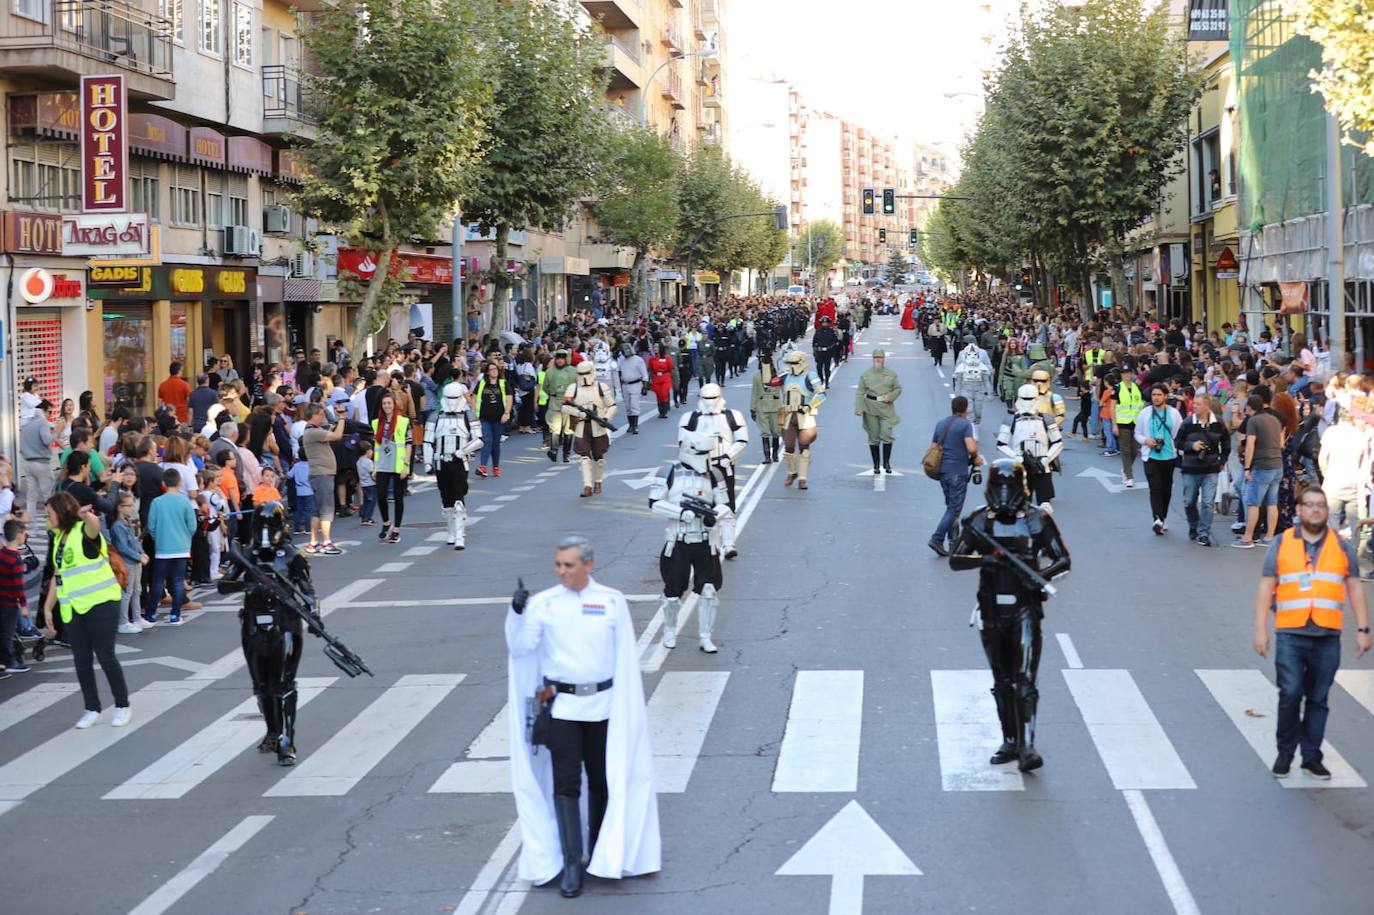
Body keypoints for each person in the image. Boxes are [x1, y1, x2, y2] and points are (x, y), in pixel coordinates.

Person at [504, 537, 660, 898]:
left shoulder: (611, 602)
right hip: (562, 708)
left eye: (569, 565)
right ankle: (572, 862)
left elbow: (625, 657)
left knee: (603, 781)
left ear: (588, 565)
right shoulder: (544, 604)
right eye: (558, 564)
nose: (562, 571)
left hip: (604, 707)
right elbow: (521, 649)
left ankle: (601, 850)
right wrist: (516, 613)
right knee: (566, 784)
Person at [948, 459, 1071, 772]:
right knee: (1002, 681)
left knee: (1025, 679)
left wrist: (1037, 576)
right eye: (1000, 486)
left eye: (1009, 486)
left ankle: (1027, 746)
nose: (1004, 493)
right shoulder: (978, 520)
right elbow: (956, 558)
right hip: (991, 610)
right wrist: (986, 560)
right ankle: (1010, 740)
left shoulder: (1037, 519)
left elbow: (1062, 559)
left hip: (1025, 608)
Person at [1252, 489, 1371, 779]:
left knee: (1318, 698)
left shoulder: (1340, 546)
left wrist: (1363, 629)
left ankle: (1311, 757)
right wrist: (1260, 629)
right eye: (1309, 505)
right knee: (1291, 693)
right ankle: (1285, 753)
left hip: (1327, 636)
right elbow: (1267, 585)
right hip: (1290, 634)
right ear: (1299, 510)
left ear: (1327, 511)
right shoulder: (1282, 542)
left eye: (1320, 505)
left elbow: (1355, 587)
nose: (1315, 510)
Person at [43, 493, 132, 729]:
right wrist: (48, 608)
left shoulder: (83, 530)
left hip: (101, 603)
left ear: (62, 512)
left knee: (106, 656)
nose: (47, 519)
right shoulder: (59, 538)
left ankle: (122, 705)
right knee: (81, 661)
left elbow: (94, 527)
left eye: (49, 514)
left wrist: (87, 516)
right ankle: (91, 708)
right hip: (74, 608)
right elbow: (59, 576)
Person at [650, 428, 730, 652]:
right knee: (673, 593)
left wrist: (713, 516)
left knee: (709, 591)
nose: (705, 458)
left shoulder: (713, 474)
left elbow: (724, 504)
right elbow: (654, 502)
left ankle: (705, 636)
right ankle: (669, 631)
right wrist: (680, 513)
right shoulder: (669, 472)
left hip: (705, 541)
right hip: (678, 539)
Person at [679, 383, 747, 560]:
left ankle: (728, 543)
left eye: (713, 398)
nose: (709, 402)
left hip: (723, 466)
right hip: (698, 468)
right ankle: (709, 544)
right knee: (701, 506)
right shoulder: (690, 418)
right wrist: (692, 462)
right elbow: (683, 443)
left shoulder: (732, 416)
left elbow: (741, 440)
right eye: (706, 398)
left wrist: (728, 456)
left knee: (726, 505)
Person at [423, 382, 483, 550]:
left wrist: (462, 451)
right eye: (449, 398)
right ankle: (451, 531)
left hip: (460, 462)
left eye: (454, 398)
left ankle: (459, 535)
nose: (451, 401)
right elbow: (428, 441)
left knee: (458, 501)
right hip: (441, 461)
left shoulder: (468, 416)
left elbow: (479, 440)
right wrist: (428, 463)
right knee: (446, 501)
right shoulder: (435, 416)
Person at [929, 396, 984, 556]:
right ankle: (937, 538)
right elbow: (971, 447)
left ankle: (953, 542)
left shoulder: (941, 424)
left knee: (951, 507)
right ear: (966, 409)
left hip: (943, 471)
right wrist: (975, 457)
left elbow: (933, 447)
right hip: (958, 471)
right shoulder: (965, 425)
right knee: (954, 509)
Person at [144, 468, 198, 627]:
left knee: (158, 581)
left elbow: (151, 526)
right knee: (178, 581)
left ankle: (150, 614)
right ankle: (175, 614)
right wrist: (185, 537)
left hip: (162, 548)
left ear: (163, 483)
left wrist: (158, 538)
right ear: (179, 483)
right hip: (182, 547)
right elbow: (192, 526)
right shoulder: (184, 502)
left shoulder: (157, 502)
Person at [1175, 392, 1228, 547]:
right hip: (1190, 468)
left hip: (1211, 468)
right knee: (1189, 501)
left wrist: (1222, 461)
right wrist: (1192, 445)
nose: (1194, 407)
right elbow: (1177, 442)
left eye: (1198, 404)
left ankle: (1203, 533)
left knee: (1207, 502)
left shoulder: (1218, 422)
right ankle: (1194, 525)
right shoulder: (1187, 422)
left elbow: (1226, 443)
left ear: (1206, 406)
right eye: (1194, 404)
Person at [997, 385, 1063, 505]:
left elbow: (1058, 442)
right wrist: (1015, 457)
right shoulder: (1011, 419)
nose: (1027, 402)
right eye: (1024, 399)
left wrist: (1047, 459)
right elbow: (1001, 444)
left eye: (1030, 399)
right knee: (1020, 506)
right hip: (1020, 466)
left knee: (1045, 505)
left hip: (1041, 466)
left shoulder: (1046, 419)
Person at [1234, 393, 1284, 549]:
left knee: (1253, 503)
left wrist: (1247, 467)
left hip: (1262, 465)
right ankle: (1269, 537)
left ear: (1250, 407)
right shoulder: (1274, 419)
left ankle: (1248, 538)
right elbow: (1281, 443)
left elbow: (1250, 445)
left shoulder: (1253, 421)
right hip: (1277, 464)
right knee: (1272, 502)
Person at [562, 361, 618, 498]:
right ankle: (587, 485)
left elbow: (612, 405)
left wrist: (606, 418)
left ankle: (598, 481)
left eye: (586, 373)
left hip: (598, 426)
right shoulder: (573, 388)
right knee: (584, 457)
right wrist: (579, 413)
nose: (584, 377)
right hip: (581, 426)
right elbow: (564, 407)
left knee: (599, 457)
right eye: (581, 374)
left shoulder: (601, 387)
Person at [1136, 384, 1183, 536]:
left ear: (1165, 396)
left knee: (1166, 490)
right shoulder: (1145, 413)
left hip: (1169, 456)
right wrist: (1146, 441)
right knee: (1155, 487)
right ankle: (1157, 519)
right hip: (1151, 456)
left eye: (1159, 395)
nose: (1156, 397)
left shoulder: (1174, 413)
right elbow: (1137, 433)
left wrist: (1176, 447)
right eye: (1154, 395)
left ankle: (1162, 517)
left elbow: (1179, 433)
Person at [777, 350, 825, 490]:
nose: (792, 366)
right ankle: (792, 472)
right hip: (788, 415)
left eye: (795, 363)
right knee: (789, 447)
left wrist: (809, 406)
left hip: (805, 416)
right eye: (790, 363)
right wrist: (766, 362)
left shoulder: (811, 376)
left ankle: (802, 478)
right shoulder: (785, 376)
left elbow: (821, 394)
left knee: (804, 447)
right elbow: (769, 382)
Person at [302, 403, 346, 553]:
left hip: (318, 474)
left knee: (317, 511)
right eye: (320, 414)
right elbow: (337, 436)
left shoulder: (312, 431)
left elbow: (329, 433)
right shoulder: (313, 432)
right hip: (322, 474)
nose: (322, 417)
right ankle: (326, 542)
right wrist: (342, 418)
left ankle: (313, 542)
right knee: (326, 510)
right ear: (313, 415)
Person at [371, 392, 412, 543]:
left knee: (398, 497)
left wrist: (406, 465)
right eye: (384, 404)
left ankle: (397, 529)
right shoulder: (376, 423)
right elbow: (376, 447)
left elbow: (409, 444)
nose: (387, 406)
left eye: (389, 403)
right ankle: (386, 522)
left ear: (394, 405)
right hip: (382, 464)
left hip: (398, 464)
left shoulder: (403, 421)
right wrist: (375, 467)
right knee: (381, 495)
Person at [855, 349, 902, 474]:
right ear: (872, 359)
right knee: (874, 436)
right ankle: (876, 464)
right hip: (870, 407)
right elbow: (860, 392)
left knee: (887, 434)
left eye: (880, 358)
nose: (878, 360)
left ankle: (886, 462)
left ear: (884, 359)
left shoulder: (891, 374)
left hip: (886, 408)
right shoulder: (866, 375)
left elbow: (898, 389)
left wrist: (890, 397)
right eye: (875, 357)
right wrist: (859, 408)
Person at [0, 520, 29, 676]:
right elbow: (18, 586)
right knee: (7, 633)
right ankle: (10, 662)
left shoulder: (2, 554)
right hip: (9, 603)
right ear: (18, 536)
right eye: (24, 533)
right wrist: (23, 606)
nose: (25, 536)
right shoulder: (15, 560)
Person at [474, 361, 511, 477]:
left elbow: (509, 398)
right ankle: (483, 467)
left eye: (495, 369)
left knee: (495, 443)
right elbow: (474, 397)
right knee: (487, 441)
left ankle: (496, 467)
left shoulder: (503, 383)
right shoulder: (482, 383)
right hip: (484, 418)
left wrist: (506, 413)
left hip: (499, 418)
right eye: (491, 369)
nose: (494, 371)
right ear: (487, 372)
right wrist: (474, 411)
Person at [19, 401, 54, 524]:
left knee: (31, 496)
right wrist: (55, 433)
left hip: (28, 463)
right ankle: (51, 522)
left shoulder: (27, 424)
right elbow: (47, 440)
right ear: (44, 411)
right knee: (48, 496)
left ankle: (31, 525)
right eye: (50, 412)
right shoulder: (42, 422)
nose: (50, 415)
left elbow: (21, 446)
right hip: (41, 463)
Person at [951, 343, 995, 438]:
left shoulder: (982, 365)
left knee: (978, 412)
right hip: (966, 388)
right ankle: (972, 432)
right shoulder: (962, 364)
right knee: (970, 410)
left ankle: (976, 426)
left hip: (979, 388)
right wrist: (957, 393)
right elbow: (958, 379)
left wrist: (990, 393)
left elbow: (987, 380)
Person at [542, 350, 578, 463]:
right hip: (555, 402)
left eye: (562, 358)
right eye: (558, 358)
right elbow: (545, 387)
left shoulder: (574, 371)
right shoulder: (549, 372)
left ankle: (566, 454)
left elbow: (578, 386)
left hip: (570, 403)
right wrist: (553, 394)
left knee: (569, 430)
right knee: (555, 428)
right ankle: (554, 450)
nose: (560, 360)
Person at [750, 347, 783, 464]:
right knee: (766, 432)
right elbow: (755, 393)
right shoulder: (757, 377)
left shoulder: (778, 376)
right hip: (764, 407)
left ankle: (774, 455)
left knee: (776, 432)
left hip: (774, 406)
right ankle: (769, 456)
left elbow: (783, 391)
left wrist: (752, 408)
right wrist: (753, 408)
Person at [1113, 370, 1145, 488]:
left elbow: (1141, 405)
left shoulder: (1137, 387)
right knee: (1125, 450)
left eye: (1128, 373)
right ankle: (1129, 476)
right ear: (1121, 375)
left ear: (1132, 374)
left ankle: (1126, 469)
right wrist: (1114, 424)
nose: (1126, 375)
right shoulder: (1117, 388)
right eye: (1124, 373)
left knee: (1134, 450)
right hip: (1122, 422)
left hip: (1135, 423)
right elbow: (1112, 407)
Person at [617, 344, 649, 434]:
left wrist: (645, 386)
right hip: (625, 384)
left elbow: (644, 373)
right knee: (627, 406)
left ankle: (635, 426)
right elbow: (619, 371)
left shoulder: (638, 360)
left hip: (636, 383)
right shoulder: (621, 359)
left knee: (634, 405)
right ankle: (630, 425)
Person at [647, 345, 675, 420]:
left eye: (657, 347)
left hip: (665, 377)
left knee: (664, 393)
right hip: (656, 378)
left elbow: (670, 367)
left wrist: (668, 375)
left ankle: (665, 411)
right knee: (658, 394)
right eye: (654, 347)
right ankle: (661, 411)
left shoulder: (667, 357)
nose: (655, 349)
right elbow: (650, 369)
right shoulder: (652, 359)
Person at [812, 316, 840, 387]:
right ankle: (821, 379)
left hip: (828, 352)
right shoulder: (818, 331)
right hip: (820, 352)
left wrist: (831, 348)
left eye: (826, 323)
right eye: (823, 323)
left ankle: (827, 381)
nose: (825, 324)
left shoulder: (831, 332)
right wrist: (815, 350)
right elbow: (814, 342)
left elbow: (835, 342)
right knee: (819, 367)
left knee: (827, 368)